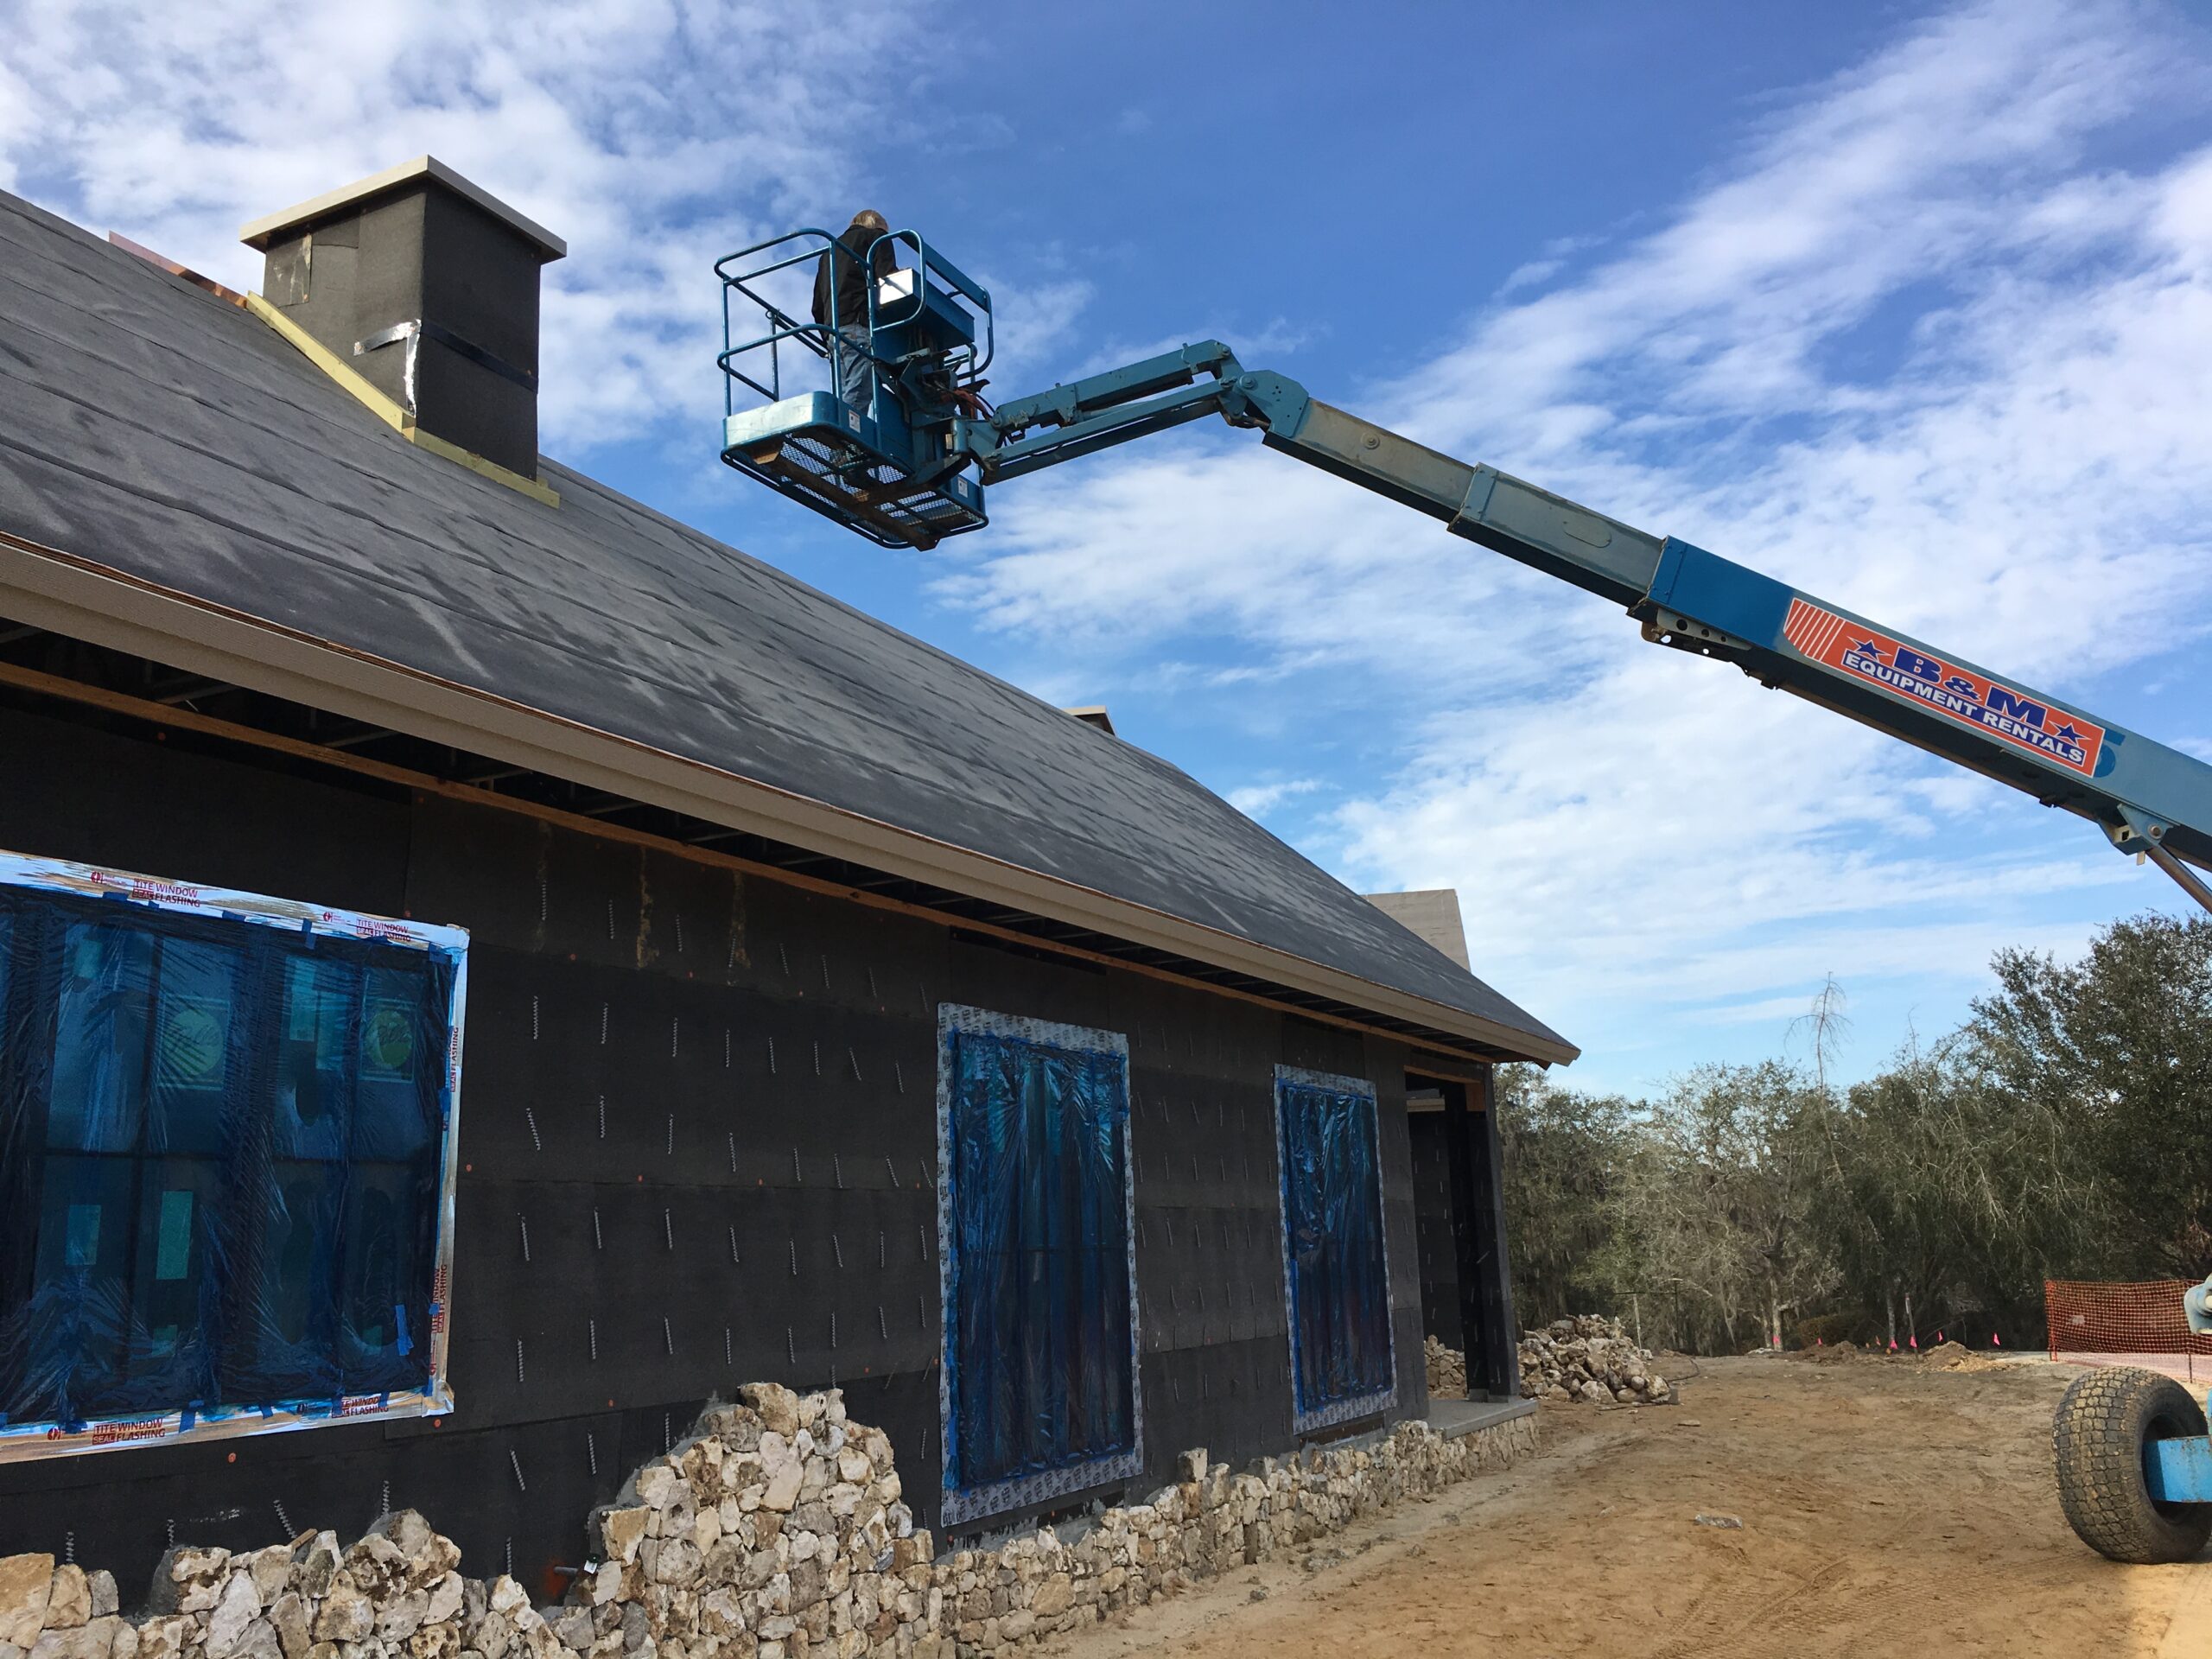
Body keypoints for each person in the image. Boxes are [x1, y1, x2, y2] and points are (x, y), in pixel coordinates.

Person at [813, 209, 893, 416]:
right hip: (858, 324)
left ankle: (840, 441)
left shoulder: (828, 253)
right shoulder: (876, 238)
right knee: (860, 388)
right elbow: (889, 279)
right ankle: (846, 439)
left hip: (832, 331)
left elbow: (817, 306)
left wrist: (826, 335)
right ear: (877, 225)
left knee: (845, 393)